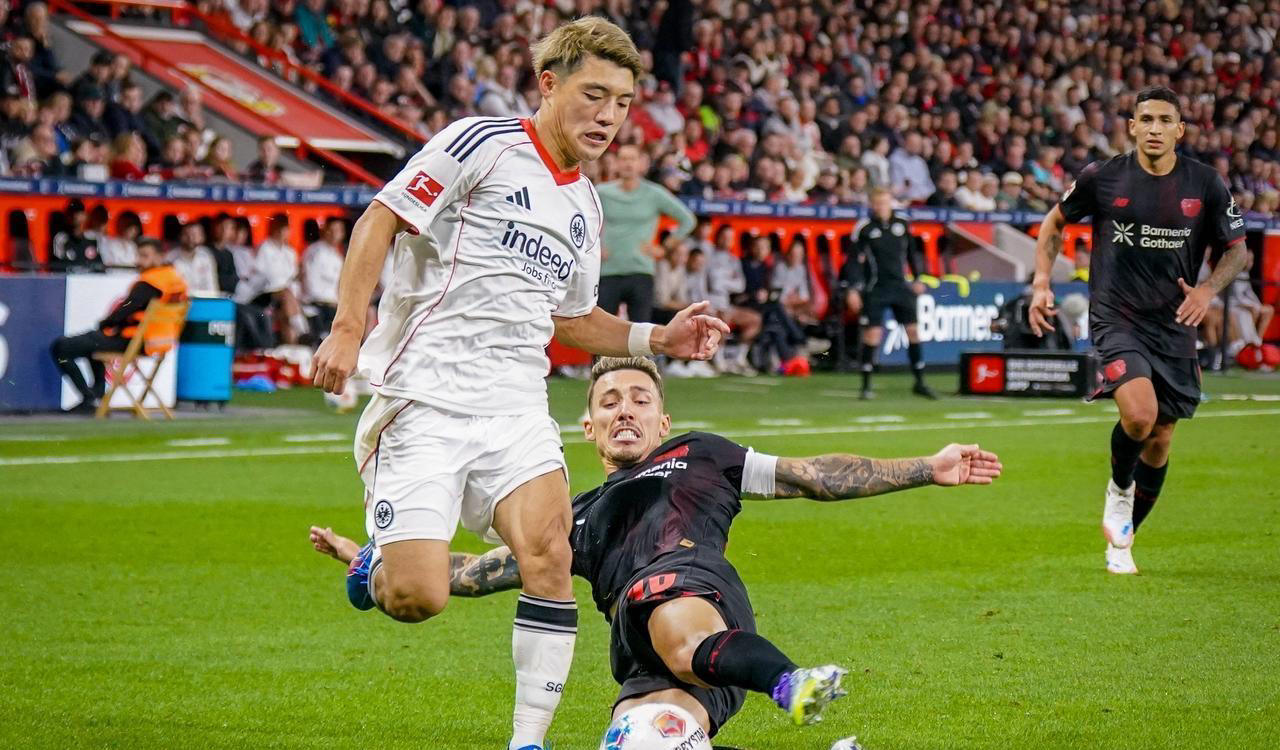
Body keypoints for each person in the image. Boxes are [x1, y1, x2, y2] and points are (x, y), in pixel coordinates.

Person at [306, 19, 727, 750]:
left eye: (622, 103)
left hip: (516, 409)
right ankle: (376, 568)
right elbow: (379, 219)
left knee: (551, 554)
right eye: (594, 95)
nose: (608, 116)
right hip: (425, 400)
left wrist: (658, 338)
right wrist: (347, 328)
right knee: (418, 597)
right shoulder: (482, 144)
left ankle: (526, 741)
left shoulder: (585, 203)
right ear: (549, 84)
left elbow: (574, 320)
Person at [311, 357, 1002, 739]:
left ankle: (790, 683)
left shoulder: (701, 455)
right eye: (609, 400)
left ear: (662, 420)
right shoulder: (571, 517)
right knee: (644, 740)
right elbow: (473, 573)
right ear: (588, 427)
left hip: (695, 594)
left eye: (639, 399)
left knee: (668, 613)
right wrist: (376, 560)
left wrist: (926, 467)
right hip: (638, 656)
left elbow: (813, 476)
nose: (625, 408)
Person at [1028, 87, 1249, 576]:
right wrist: (1041, 283)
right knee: (1139, 416)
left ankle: (1124, 540)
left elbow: (1237, 249)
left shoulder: (1205, 183)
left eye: (1164, 120)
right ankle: (1119, 488)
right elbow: (1054, 223)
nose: (1154, 128)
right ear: (1131, 126)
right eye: (1145, 119)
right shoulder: (1104, 177)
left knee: (1162, 436)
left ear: (1179, 130)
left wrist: (1207, 290)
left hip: (1175, 322)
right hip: (1117, 317)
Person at [49, 237, 187, 413]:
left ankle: (89, 397)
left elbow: (126, 309)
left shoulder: (150, 282)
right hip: (159, 343)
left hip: (133, 341)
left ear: (160, 256)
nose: (138, 261)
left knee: (61, 348)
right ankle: (97, 395)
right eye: (138, 255)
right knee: (94, 343)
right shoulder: (175, 279)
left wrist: (106, 323)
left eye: (144, 256)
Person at [843, 188, 936, 400]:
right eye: (877, 203)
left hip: (900, 286)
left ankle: (920, 382)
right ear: (872, 205)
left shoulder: (902, 224)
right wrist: (852, 289)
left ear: (891, 203)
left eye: (884, 203)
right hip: (876, 288)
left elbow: (912, 253)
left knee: (913, 331)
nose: (881, 207)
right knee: (872, 335)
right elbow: (853, 261)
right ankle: (866, 385)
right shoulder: (864, 228)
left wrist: (918, 278)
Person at [596, 142, 697, 324]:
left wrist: (664, 248)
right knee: (601, 329)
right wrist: (594, 247)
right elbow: (582, 221)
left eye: (632, 159)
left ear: (641, 163)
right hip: (608, 271)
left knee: (640, 332)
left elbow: (688, 220)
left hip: (641, 271)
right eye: (623, 159)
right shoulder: (602, 192)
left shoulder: (654, 193)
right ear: (616, 163)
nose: (628, 163)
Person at [301, 216, 347, 338]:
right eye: (332, 230)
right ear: (325, 231)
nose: (335, 234)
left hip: (332, 304)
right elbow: (310, 283)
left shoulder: (337, 257)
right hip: (318, 303)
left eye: (338, 230)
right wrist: (330, 302)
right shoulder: (315, 252)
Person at [49, 199, 104, 274]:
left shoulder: (93, 238)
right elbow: (57, 267)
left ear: (85, 216)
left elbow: (100, 267)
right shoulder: (61, 238)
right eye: (72, 213)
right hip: (69, 279)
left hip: (90, 279)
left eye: (79, 212)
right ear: (67, 216)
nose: (75, 216)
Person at [166, 221, 218, 295]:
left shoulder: (206, 256)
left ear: (202, 237)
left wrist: (213, 299)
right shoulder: (170, 258)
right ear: (180, 236)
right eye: (186, 234)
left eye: (194, 234)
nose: (190, 238)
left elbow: (211, 283)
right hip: (181, 299)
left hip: (203, 299)